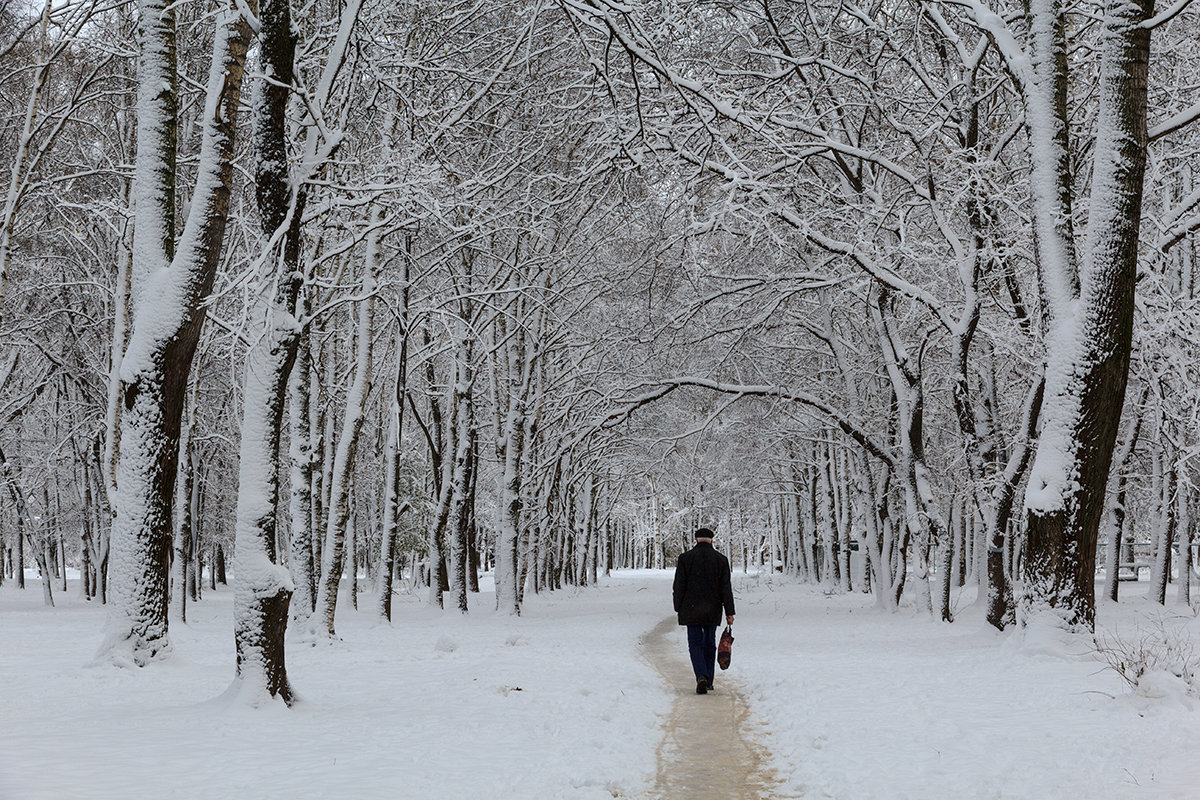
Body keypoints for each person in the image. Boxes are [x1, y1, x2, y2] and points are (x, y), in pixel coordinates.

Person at [672, 526, 735, 695]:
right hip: (712, 608)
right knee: (710, 643)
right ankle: (709, 681)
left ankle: (701, 675)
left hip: (691, 608)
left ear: (696, 539)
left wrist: (678, 606)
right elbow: (725, 588)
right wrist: (730, 611)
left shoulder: (685, 558)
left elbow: (679, 585)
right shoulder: (721, 560)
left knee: (695, 643)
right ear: (711, 540)